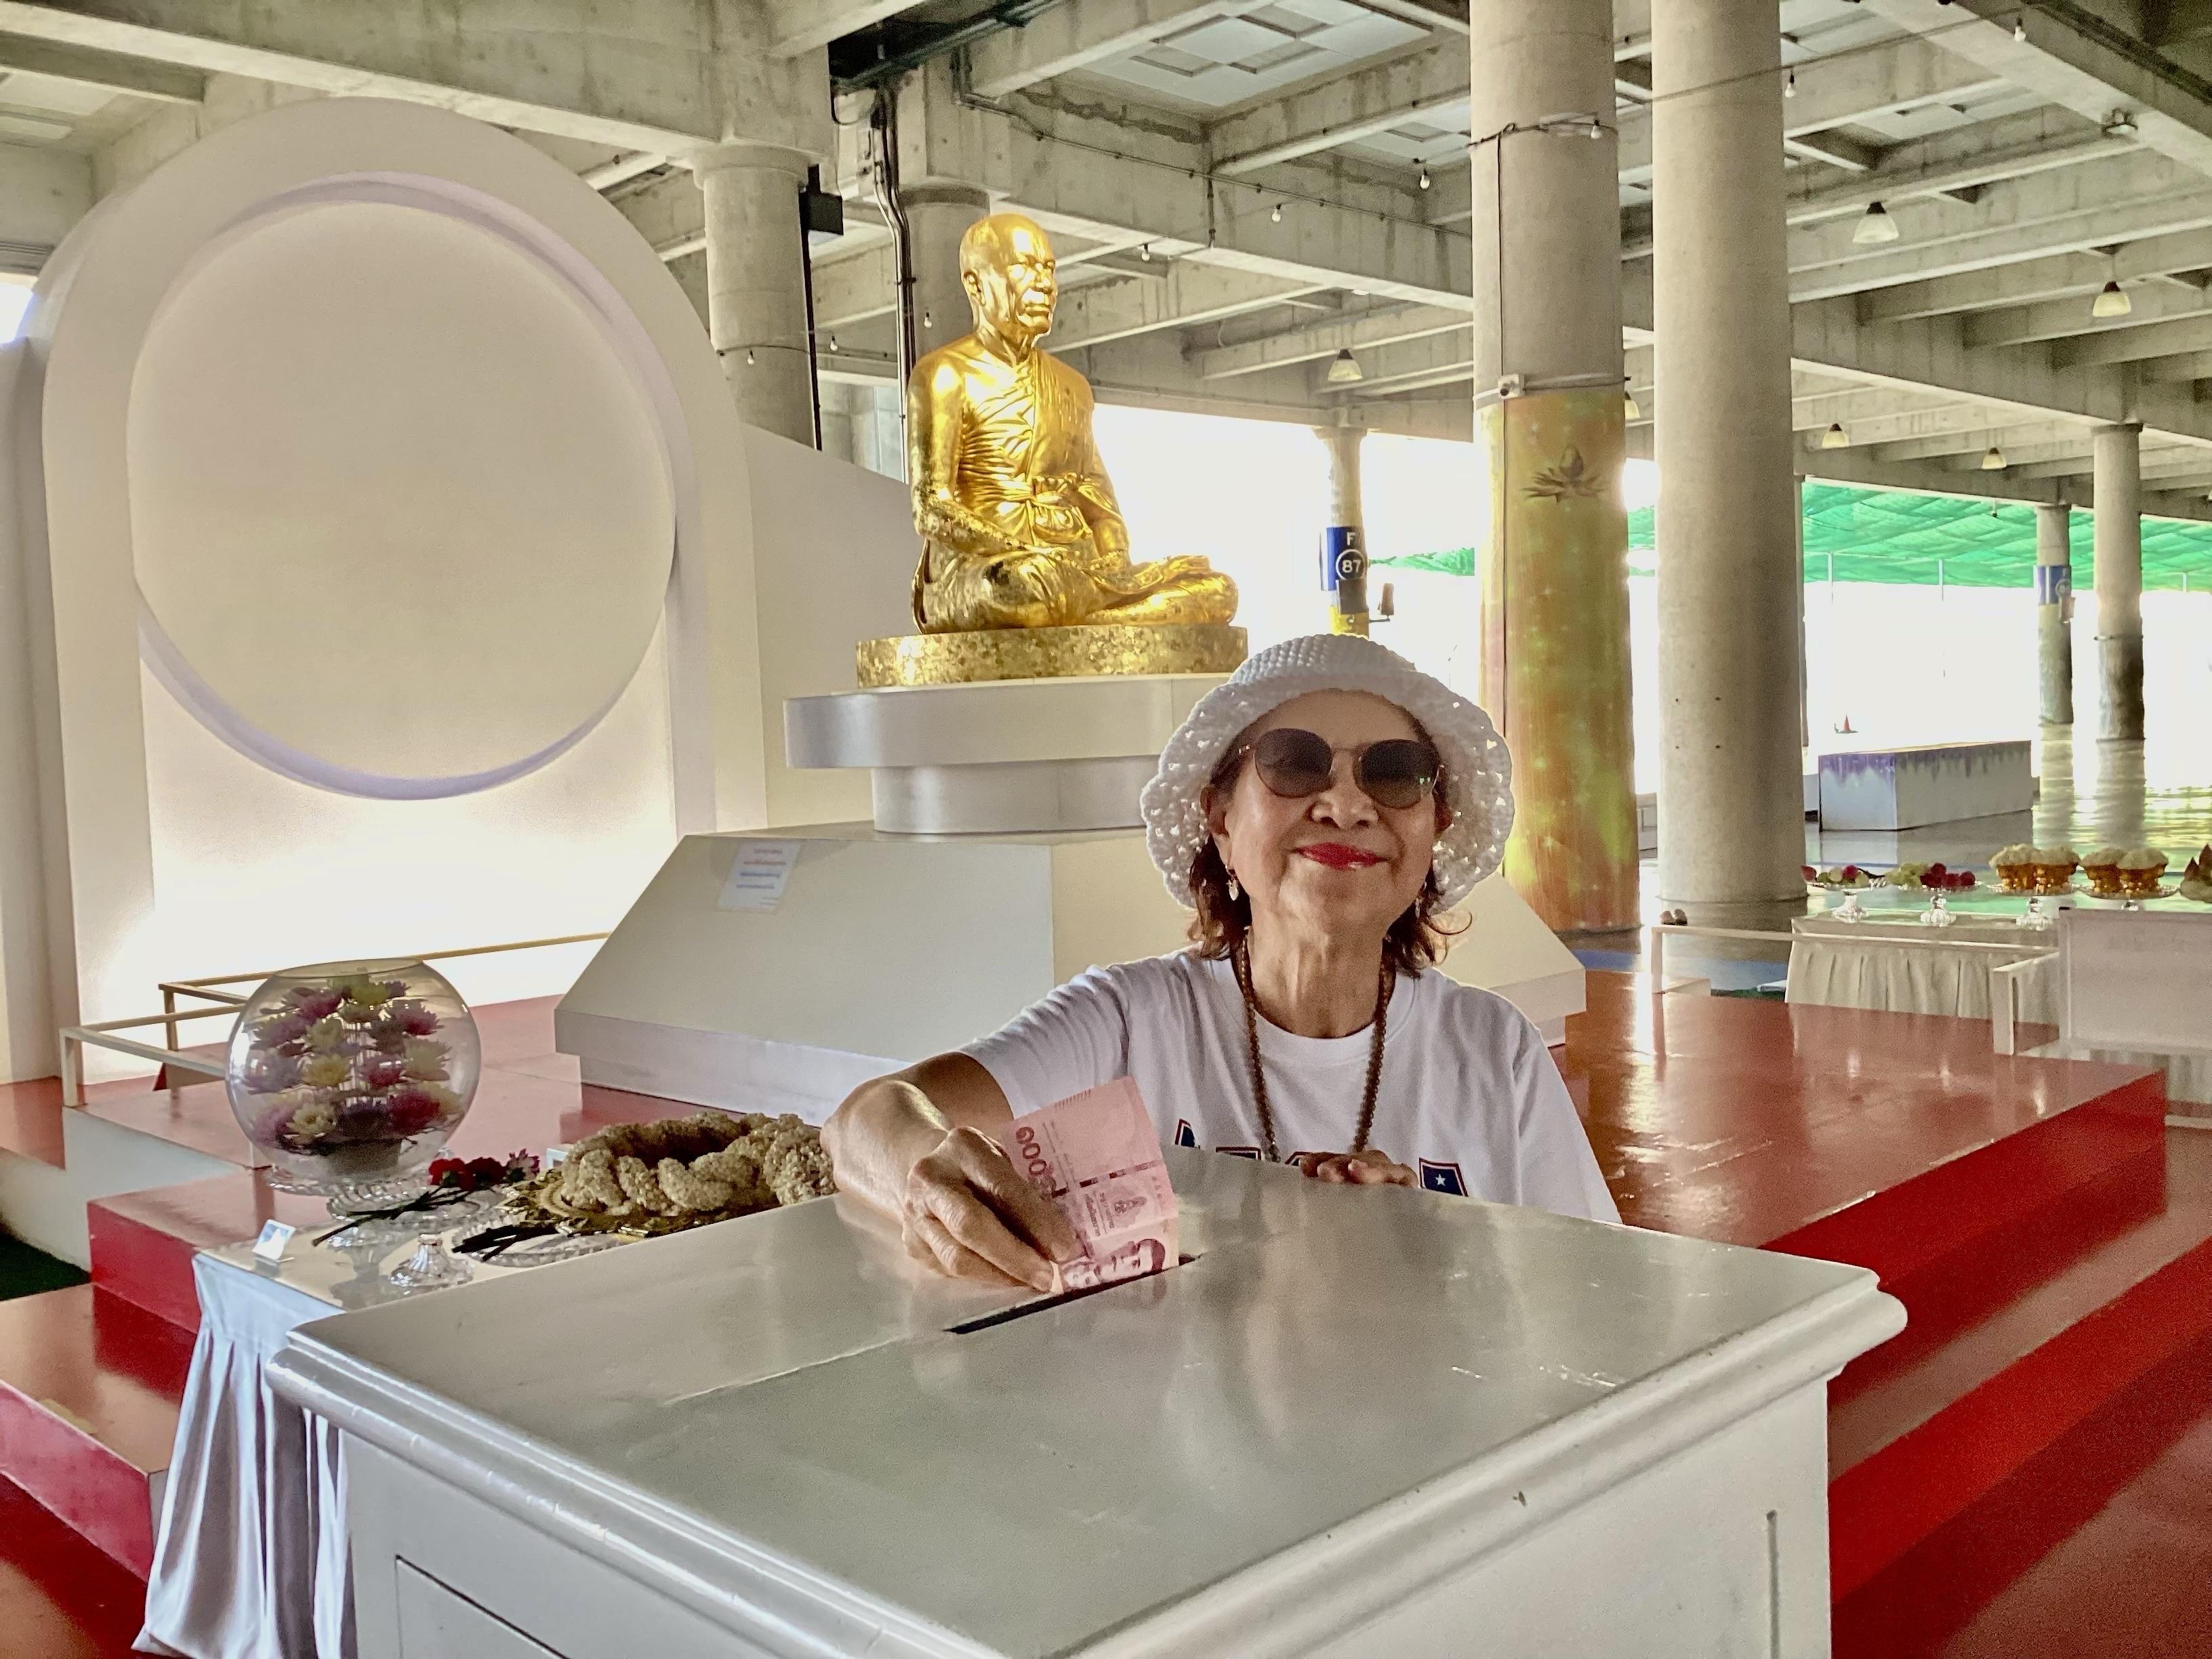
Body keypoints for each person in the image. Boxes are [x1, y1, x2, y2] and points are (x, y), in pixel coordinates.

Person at [823, 634, 1620, 1291]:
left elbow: (1589, 1293)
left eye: (1394, 773)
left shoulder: (1494, 1050)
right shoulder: (1129, 1020)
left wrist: (1433, 1253)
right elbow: (869, 1116)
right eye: (1294, 763)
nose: (1346, 804)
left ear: (1433, 826)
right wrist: (928, 1181)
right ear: (1221, 819)